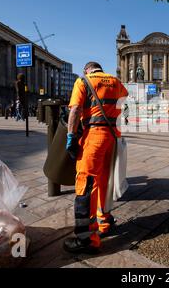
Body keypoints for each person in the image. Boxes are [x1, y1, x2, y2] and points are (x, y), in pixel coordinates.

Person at [65, 61, 128, 254]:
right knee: (104, 181)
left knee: (85, 185)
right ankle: (105, 221)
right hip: (112, 136)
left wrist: (71, 136)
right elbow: (125, 100)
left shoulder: (83, 81)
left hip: (93, 136)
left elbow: (75, 110)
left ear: (87, 70)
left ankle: (87, 239)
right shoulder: (116, 81)